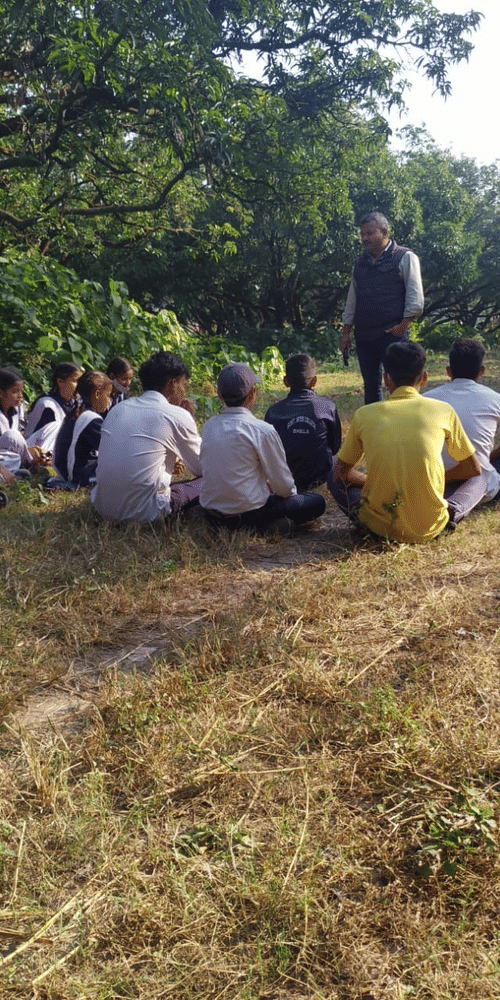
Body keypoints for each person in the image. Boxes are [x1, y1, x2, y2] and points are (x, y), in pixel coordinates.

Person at [330, 342, 481, 543]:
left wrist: (370, 481)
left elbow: (340, 474)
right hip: (430, 526)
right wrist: (435, 481)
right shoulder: (443, 411)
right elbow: (472, 469)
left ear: (386, 379)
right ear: (424, 378)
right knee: (481, 480)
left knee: (332, 468)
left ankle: (370, 517)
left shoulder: (363, 415)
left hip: (378, 527)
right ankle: (450, 514)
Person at [200, 362, 326, 533]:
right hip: (249, 514)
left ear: (219, 395)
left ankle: (234, 527)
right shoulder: (261, 430)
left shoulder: (209, 426)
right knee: (316, 501)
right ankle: (261, 527)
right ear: (252, 393)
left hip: (213, 515)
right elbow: (284, 488)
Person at [92, 352, 203, 522]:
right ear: (173, 384)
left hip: (102, 507)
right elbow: (203, 467)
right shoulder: (176, 415)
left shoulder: (118, 409)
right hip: (146, 513)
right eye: (184, 384)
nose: (184, 391)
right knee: (210, 481)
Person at [339, 212, 424, 404]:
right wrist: (346, 332)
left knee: (400, 385)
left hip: (393, 334)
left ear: (384, 232)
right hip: (364, 336)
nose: (364, 239)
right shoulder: (359, 264)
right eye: (362, 234)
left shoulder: (405, 257)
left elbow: (415, 295)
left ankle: (402, 426)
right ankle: (374, 429)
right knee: (371, 386)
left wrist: (404, 326)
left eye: (369, 233)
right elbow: (352, 299)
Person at [423, 338, 500, 518]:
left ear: (448, 371)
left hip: (437, 480)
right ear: (482, 371)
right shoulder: (494, 399)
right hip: (481, 483)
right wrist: (486, 457)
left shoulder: (425, 400)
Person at [264, 353, 341, 491]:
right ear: (314, 381)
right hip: (320, 476)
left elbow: (268, 451)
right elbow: (335, 447)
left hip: (285, 476)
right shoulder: (327, 407)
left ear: (286, 381)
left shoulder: (273, 412)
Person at [53, 371, 113, 485]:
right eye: (108, 395)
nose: (109, 400)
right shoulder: (90, 418)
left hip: (65, 470)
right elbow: (111, 449)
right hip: (78, 475)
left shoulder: (77, 410)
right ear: (97, 394)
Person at [24, 362, 83, 453]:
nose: (79, 385)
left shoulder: (75, 404)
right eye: (75, 381)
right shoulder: (47, 404)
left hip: (59, 450)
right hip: (32, 449)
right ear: (60, 381)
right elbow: (42, 436)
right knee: (55, 426)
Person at [0, 368, 46, 471]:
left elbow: (22, 434)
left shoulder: (18, 408)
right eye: (15, 392)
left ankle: (43, 458)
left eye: (21, 391)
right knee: (11, 435)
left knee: (52, 427)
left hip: (18, 452)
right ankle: (29, 463)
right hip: (4, 455)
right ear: (1, 393)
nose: (20, 396)